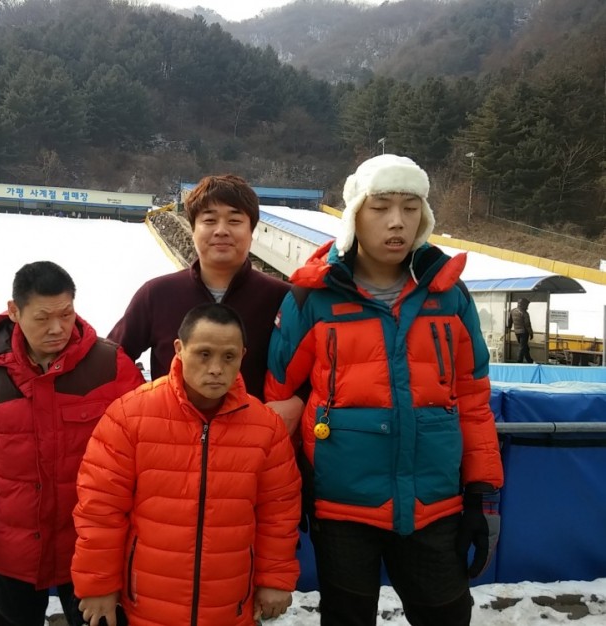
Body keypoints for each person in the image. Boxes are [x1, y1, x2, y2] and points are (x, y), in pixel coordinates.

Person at [265, 154, 504, 626]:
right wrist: (282, 502)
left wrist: (482, 493)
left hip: (434, 506)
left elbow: (473, 401)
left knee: (448, 617)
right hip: (341, 511)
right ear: (355, 215)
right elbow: (277, 405)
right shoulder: (311, 297)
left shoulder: (450, 296)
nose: (397, 222)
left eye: (410, 208)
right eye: (381, 207)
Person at [0, 261, 145, 626]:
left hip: (89, 547)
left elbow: (140, 453)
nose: (57, 328)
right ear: (14, 311)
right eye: (42, 318)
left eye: (66, 314)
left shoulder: (110, 366)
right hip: (14, 546)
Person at [72, 303, 301, 626]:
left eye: (229, 357)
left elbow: (278, 512)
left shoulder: (266, 427)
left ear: (242, 356)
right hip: (147, 604)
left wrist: (275, 578)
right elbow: (100, 509)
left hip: (230, 604)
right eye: (204, 354)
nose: (216, 368)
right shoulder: (129, 416)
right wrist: (99, 585)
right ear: (179, 349)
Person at [108, 174, 303, 426]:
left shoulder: (283, 299)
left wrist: (299, 402)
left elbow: (319, 367)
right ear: (193, 230)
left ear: (251, 231)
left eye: (234, 221)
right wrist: (142, 402)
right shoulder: (157, 294)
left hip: (251, 440)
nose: (221, 230)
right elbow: (114, 357)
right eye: (209, 220)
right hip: (170, 439)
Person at [506, 298, 534, 363]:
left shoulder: (512, 311)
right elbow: (527, 324)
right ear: (523, 304)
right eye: (527, 305)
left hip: (517, 332)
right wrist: (531, 333)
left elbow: (509, 322)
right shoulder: (525, 313)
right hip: (524, 332)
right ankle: (519, 361)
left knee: (525, 347)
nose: (527, 306)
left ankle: (529, 360)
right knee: (522, 347)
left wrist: (508, 329)